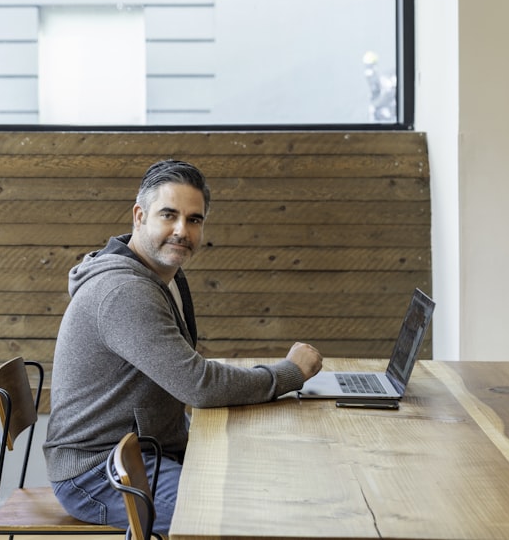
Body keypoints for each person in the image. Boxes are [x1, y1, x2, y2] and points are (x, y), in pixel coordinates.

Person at [43, 159, 323, 535]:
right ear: (139, 216)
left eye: (194, 219)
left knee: (276, 479)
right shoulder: (125, 292)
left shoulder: (162, 276)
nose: (182, 230)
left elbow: (189, 374)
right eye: (169, 215)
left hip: (149, 449)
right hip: (99, 472)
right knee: (236, 514)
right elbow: (198, 385)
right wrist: (289, 373)